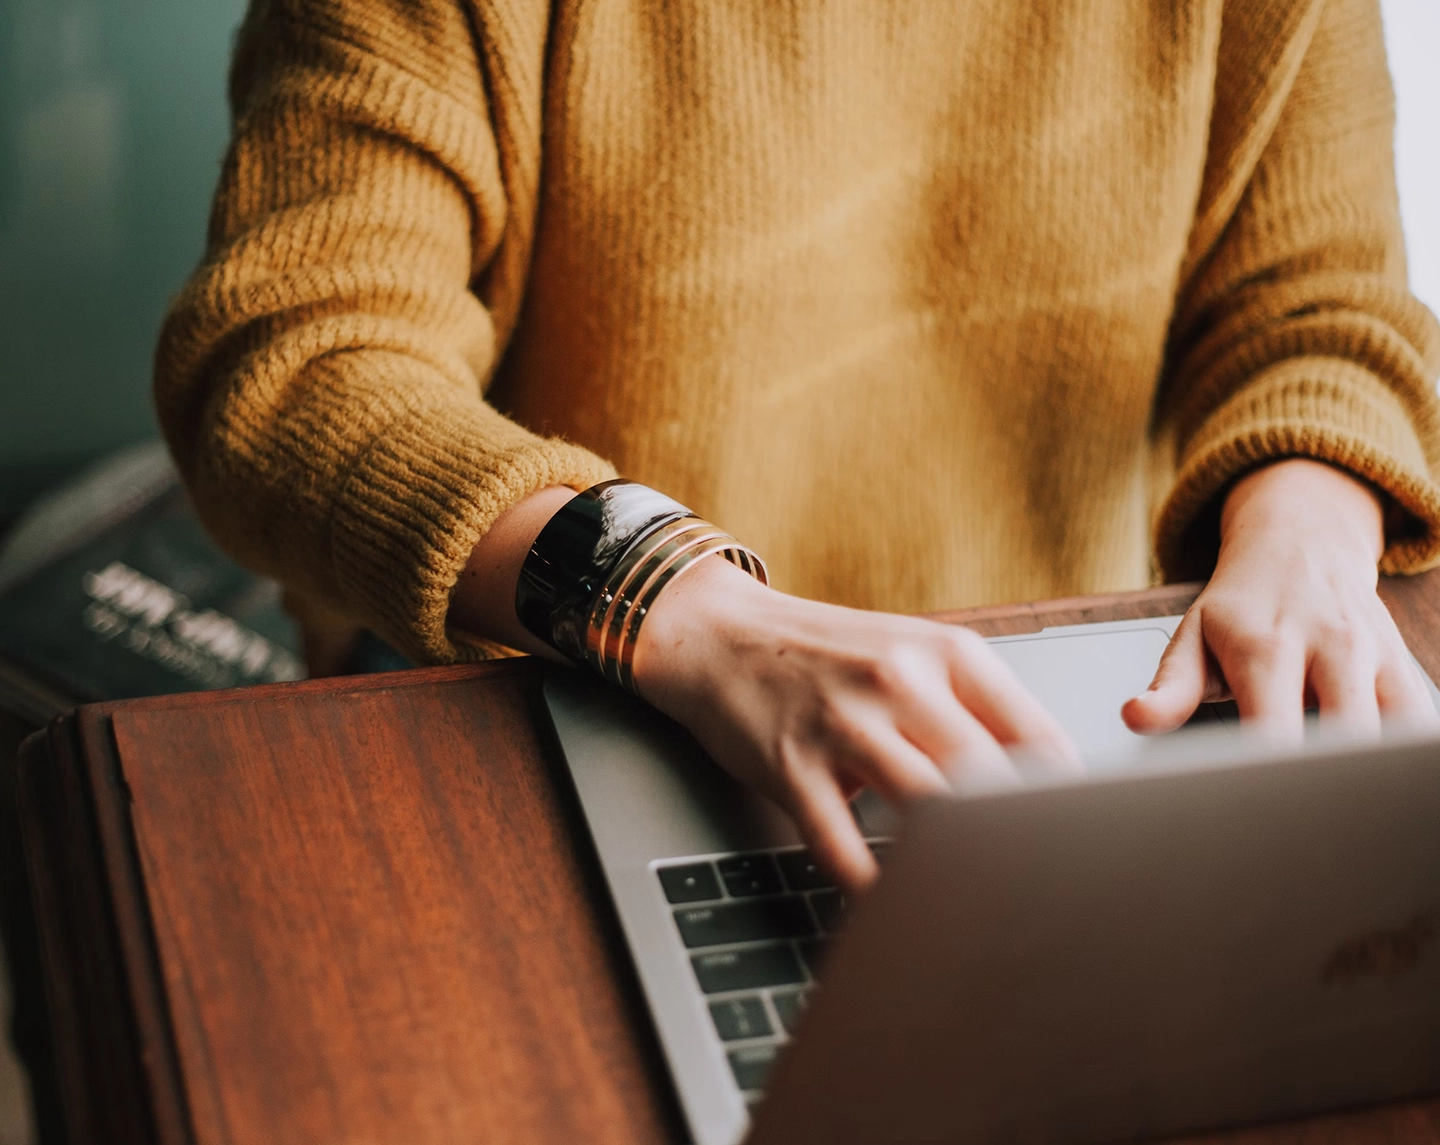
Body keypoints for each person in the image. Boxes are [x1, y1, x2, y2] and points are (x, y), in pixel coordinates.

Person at [155, 0, 1440, 894]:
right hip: (571, 682)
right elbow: (295, 359)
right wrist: (677, 604)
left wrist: (1312, 528)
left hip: (1064, 717)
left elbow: (1319, 302)